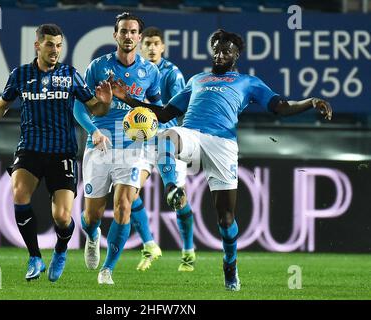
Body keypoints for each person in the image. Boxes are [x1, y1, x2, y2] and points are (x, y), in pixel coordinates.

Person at [110, 28, 332, 291]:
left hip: (223, 145)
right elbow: (164, 111)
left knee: (226, 219)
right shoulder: (197, 80)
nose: (220, 54)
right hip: (191, 134)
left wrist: (310, 101)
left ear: (237, 55)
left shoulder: (248, 82)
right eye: (216, 48)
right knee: (165, 135)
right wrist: (128, 98)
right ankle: (172, 188)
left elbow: (280, 107)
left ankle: (230, 263)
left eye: (226, 50)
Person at [0, 24, 112, 282]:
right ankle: (34, 257)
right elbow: (1, 105)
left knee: (62, 217)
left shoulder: (70, 75)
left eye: (58, 45)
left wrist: (106, 102)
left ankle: (60, 249)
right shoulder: (20, 75)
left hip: (62, 151)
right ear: (37, 46)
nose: (55, 50)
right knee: (19, 192)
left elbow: (95, 110)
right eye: (50, 45)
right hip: (30, 147)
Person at [73, 12, 162, 285]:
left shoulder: (151, 72)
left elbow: (158, 110)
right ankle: (92, 234)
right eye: (123, 31)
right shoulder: (97, 67)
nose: (128, 36)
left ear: (139, 37)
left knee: (124, 204)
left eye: (133, 31)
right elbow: (79, 107)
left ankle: (107, 269)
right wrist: (94, 130)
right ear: (115, 35)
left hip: (134, 146)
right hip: (100, 144)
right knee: (91, 216)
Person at [136, 26, 196, 272]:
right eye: (147, 43)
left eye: (155, 43)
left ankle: (188, 251)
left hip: (166, 140)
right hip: (139, 140)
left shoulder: (172, 74)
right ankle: (150, 245)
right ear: (142, 46)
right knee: (129, 193)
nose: (151, 47)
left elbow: (180, 107)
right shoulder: (134, 71)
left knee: (177, 199)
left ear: (162, 47)